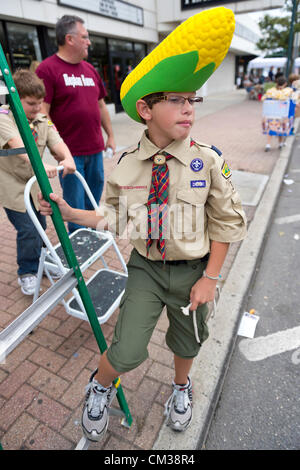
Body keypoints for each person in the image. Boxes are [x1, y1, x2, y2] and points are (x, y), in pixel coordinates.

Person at [39, 7, 246, 441]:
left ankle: (181, 388)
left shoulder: (207, 161)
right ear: (145, 109)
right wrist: (69, 210)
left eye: (192, 100)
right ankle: (98, 386)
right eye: (176, 100)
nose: (189, 108)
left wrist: (210, 278)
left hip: (194, 271)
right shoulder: (128, 166)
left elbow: (227, 224)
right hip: (146, 269)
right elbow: (113, 215)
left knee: (187, 344)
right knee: (128, 350)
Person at [36, 15, 116, 233]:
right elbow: (43, 113)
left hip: (96, 150)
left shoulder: (90, 70)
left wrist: (110, 135)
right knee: (74, 204)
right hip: (71, 155)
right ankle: (78, 243)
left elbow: (101, 106)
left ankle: (92, 236)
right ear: (69, 39)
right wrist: (57, 148)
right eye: (85, 37)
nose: (89, 42)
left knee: (93, 199)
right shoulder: (47, 70)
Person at [0, 69, 76, 295]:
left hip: (34, 184)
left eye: (40, 103)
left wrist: (67, 157)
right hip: (12, 185)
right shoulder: (3, 117)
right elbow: (18, 145)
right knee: (28, 229)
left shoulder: (41, 119)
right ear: (16, 99)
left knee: (41, 225)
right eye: (31, 103)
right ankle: (27, 272)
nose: (37, 108)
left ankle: (41, 264)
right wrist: (42, 165)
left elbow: (56, 140)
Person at [261, 76, 294, 151]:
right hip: (282, 113)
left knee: (270, 127)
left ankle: (268, 144)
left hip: (271, 113)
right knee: (281, 128)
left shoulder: (271, 91)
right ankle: (280, 143)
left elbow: (265, 99)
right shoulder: (288, 91)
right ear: (285, 84)